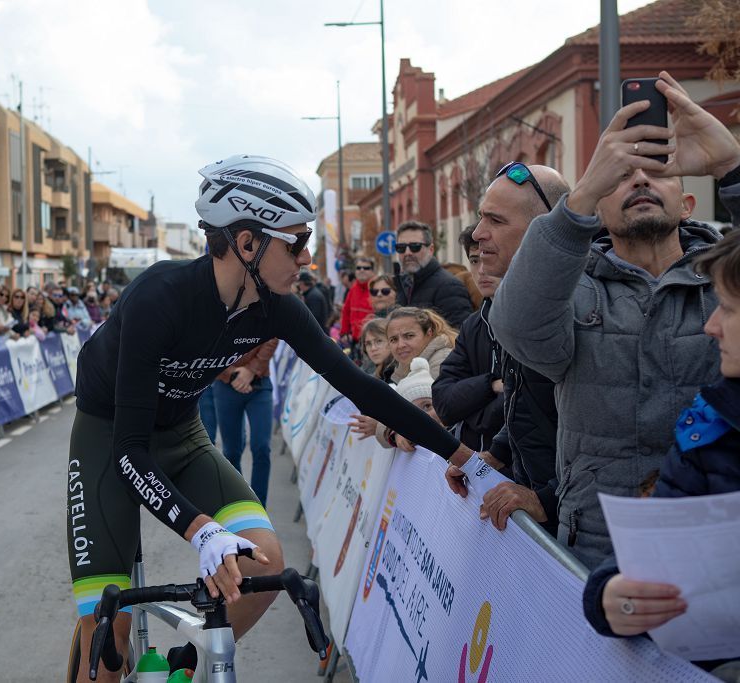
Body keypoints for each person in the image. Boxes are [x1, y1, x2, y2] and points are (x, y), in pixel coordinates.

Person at [66, 154, 477, 682]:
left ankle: (182, 666)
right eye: (296, 242)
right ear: (246, 243)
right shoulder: (159, 297)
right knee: (108, 646)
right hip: (110, 439)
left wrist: (462, 456)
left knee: (265, 563)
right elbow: (128, 450)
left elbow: (361, 388)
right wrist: (200, 530)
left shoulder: (277, 304)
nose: (306, 258)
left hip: (180, 433)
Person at [488, 72, 740, 565]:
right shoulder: (571, 289)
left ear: (688, 202)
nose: (641, 179)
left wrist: (732, 166)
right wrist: (575, 200)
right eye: (620, 176)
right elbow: (517, 328)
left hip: (720, 537)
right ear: (596, 210)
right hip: (599, 545)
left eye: (657, 171)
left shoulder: (727, 282)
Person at [582, 231, 740, 677]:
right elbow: (651, 556)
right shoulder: (710, 428)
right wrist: (609, 597)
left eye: (726, 308)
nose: (711, 326)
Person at [463, 161, 569, 535]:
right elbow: (527, 396)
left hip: (581, 529)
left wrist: (548, 499)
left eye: (496, 221)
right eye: (481, 218)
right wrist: (498, 452)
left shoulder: (578, 304)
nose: (478, 234)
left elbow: (615, 432)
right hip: (545, 510)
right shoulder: (511, 298)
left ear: (544, 229)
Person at [432, 226, 505, 453]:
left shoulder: (532, 318)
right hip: (476, 465)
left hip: (520, 471)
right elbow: (443, 402)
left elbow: (520, 406)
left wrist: (469, 410)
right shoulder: (474, 325)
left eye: (489, 258)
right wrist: (491, 385)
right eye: (474, 260)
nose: (482, 270)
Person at [349, 306, 456, 443]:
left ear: (429, 333)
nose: (400, 345)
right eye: (394, 340)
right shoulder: (403, 369)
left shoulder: (442, 361)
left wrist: (385, 428)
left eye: (409, 336)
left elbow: (428, 417)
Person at [211, 339, 279, 507]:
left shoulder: (264, 311)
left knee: (261, 447)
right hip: (225, 384)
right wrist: (232, 373)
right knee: (231, 452)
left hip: (260, 384)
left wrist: (251, 370)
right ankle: (239, 504)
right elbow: (208, 343)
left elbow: (272, 336)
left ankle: (259, 508)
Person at [392, 220, 473, 327]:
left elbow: (458, 334)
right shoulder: (402, 284)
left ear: (430, 249)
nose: (407, 253)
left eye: (415, 246)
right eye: (401, 248)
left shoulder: (449, 286)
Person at [338, 256, 374, 354]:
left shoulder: (378, 289)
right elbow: (346, 312)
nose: (362, 270)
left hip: (373, 341)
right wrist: (344, 333)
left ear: (372, 271)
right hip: (355, 341)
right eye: (358, 268)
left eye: (366, 268)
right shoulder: (353, 289)